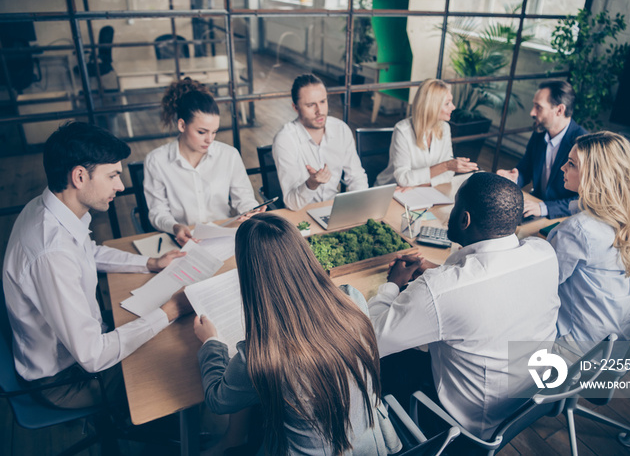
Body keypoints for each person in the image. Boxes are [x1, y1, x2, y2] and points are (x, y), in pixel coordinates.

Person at [2, 122, 192, 410]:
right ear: (79, 176)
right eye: (113, 175)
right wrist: (170, 310)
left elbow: (89, 252)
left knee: (165, 333)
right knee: (178, 366)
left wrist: (151, 263)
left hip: (78, 348)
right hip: (65, 380)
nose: (121, 185)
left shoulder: (49, 208)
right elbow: (92, 356)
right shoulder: (51, 253)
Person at [369, 172, 560, 439]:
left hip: (469, 424)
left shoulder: (439, 290)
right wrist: (438, 272)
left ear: (464, 218)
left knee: (376, 362)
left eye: (455, 206)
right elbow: (490, 282)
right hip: (527, 399)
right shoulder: (543, 253)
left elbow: (371, 340)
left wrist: (392, 285)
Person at [193, 213, 398, 455]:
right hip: (372, 446)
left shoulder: (260, 354)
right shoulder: (352, 300)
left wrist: (211, 342)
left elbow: (218, 400)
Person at [549, 131, 630, 345]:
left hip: (574, 349)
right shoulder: (625, 216)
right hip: (613, 343)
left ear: (594, 175)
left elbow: (544, 284)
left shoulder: (578, 229)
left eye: (571, 164)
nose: (562, 168)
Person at [144, 78, 261, 246]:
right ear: (182, 125)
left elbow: (244, 198)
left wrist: (252, 210)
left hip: (224, 238)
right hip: (182, 241)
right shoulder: (157, 161)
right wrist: (175, 226)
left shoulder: (229, 155)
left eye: (214, 132)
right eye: (201, 132)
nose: (209, 139)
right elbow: (157, 211)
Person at [272, 74, 368, 211]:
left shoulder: (341, 129)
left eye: (323, 102)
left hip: (335, 209)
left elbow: (356, 177)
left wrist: (360, 206)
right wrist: (311, 184)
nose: (320, 111)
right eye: (311, 105)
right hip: (301, 214)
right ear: (295, 107)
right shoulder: (285, 140)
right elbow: (292, 203)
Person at [497, 80, 587, 218]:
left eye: (538, 107)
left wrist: (545, 208)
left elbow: (585, 200)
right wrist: (513, 178)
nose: (532, 112)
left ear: (559, 110)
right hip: (535, 208)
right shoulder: (540, 133)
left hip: (563, 218)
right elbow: (525, 169)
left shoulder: (584, 144)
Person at [375, 78, 478, 187]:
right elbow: (403, 179)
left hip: (423, 190)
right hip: (392, 192)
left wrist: (421, 184)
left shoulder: (445, 128)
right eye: (447, 103)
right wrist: (445, 166)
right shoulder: (402, 130)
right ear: (432, 106)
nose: (453, 107)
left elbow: (448, 174)